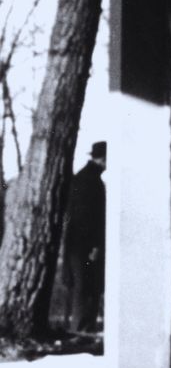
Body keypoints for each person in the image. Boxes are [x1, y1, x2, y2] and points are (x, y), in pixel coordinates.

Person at [56, 140, 106, 332]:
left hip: (77, 244)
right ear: (103, 159)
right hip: (84, 246)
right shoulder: (90, 181)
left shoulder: (83, 178)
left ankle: (81, 329)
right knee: (85, 290)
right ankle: (81, 331)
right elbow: (86, 218)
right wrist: (94, 246)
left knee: (83, 289)